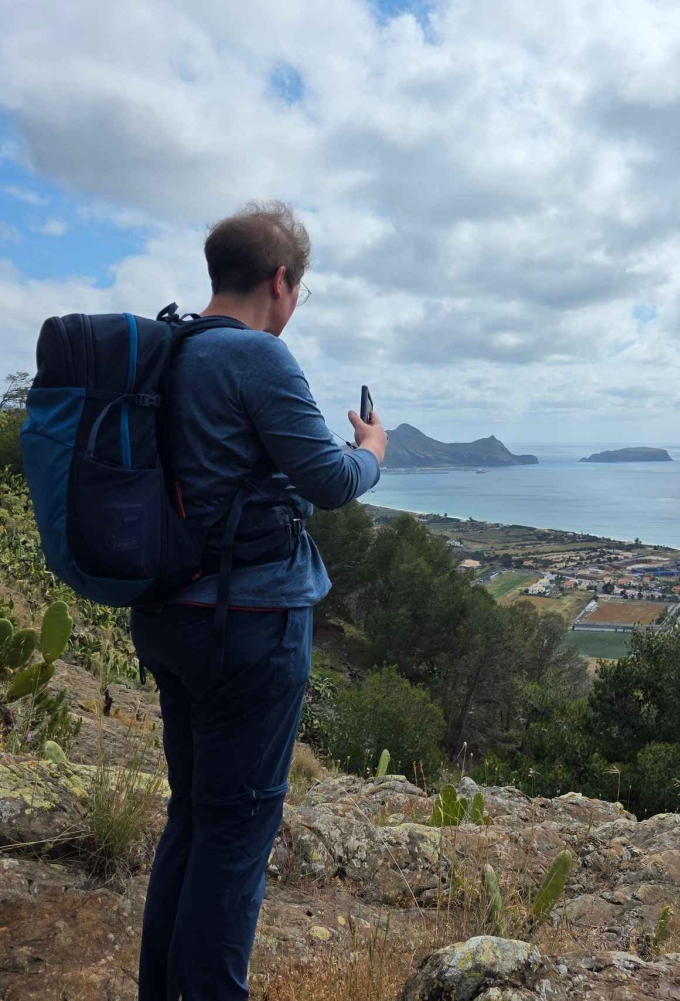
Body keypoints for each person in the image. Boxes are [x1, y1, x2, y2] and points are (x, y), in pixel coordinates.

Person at [130, 200, 386, 1000]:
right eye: (299, 293)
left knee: (194, 817)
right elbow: (332, 480)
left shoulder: (165, 349)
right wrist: (372, 449)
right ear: (281, 281)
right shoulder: (257, 359)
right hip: (249, 626)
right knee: (237, 834)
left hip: (169, 615)